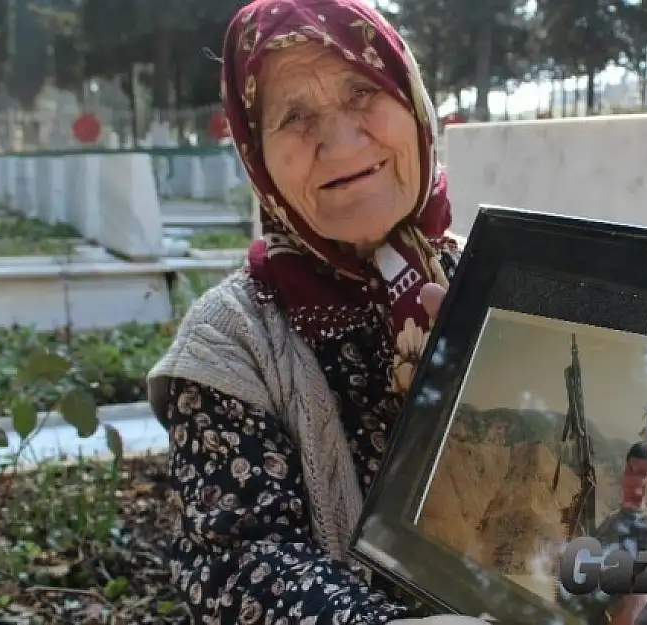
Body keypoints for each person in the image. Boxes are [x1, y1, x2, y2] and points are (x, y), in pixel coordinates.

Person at [146, 1, 483, 623]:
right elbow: (239, 560)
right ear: (258, 156)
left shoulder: (488, 278)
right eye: (293, 116)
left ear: (412, 102)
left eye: (362, 91)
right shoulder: (232, 340)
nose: (340, 140)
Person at [559, 441, 647, 625]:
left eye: (640, 474)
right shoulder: (614, 518)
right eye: (629, 470)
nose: (632, 479)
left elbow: (639, 596)